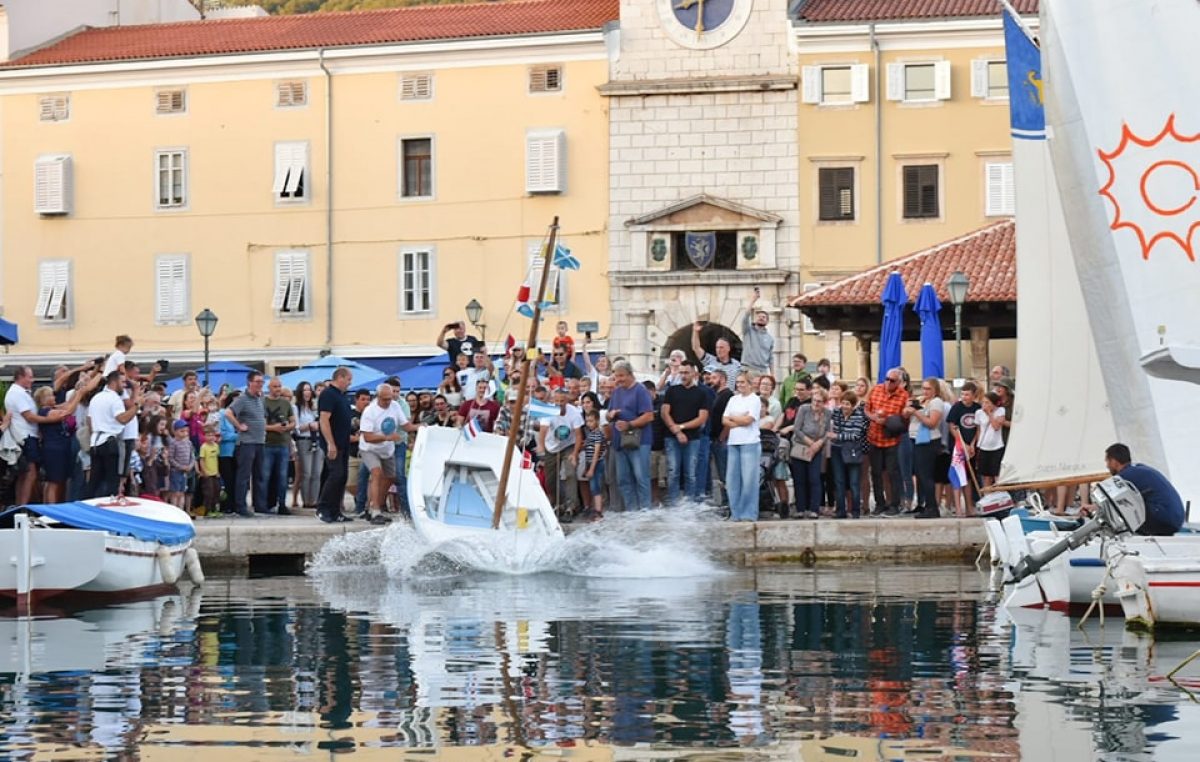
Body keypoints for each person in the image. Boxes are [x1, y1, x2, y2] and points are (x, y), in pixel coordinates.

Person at [7, 367, 74, 504]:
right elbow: (29, 416)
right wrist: (49, 420)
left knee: (28, 474)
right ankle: (23, 507)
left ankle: (21, 505)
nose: (32, 380)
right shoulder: (17, 394)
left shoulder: (22, 393)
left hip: (31, 436)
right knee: (30, 474)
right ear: (21, 377)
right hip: (26, 436)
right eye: (30, 377)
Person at [1092, 443, 1185, 536]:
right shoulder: (1139, 469)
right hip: (1175, 520)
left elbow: (1107, 497)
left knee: (1121, 508)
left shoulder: (1125, 476)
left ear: (1114, 461)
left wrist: (1092, 508)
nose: (1107, 466)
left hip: (1163, 518)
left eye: (1108, 461)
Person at [359, 383, 419, 526]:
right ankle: (375, 511)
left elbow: (405, 425)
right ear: (378, 397)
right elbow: (367, 437)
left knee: (390, 477)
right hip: (369, 448)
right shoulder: (370, 411)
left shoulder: (395, 406)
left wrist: (419, 427)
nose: (387, 402)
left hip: (387, 449)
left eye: (390, 399)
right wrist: (387, 437)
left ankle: (374, 505)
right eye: (385, 399)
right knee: (376, 473)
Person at [607, 361, 654, 511]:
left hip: (639, 441)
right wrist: (610, 415)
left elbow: (648, 416)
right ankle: (631, 510)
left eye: (621, 376)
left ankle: (645, 510)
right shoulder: (616, 392)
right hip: (620, 442)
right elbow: (608, 414)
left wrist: (630, 424)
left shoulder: (640, 391)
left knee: (641, 478)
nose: (618, 379)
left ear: (630, 374)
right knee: (623, 479)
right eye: (616, 376)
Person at [87, 371, 141, 499]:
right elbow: (122, 419)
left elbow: (89, 420)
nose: (124, 386)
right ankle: (109, 507)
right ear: (114, 381)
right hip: (109, 441)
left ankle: (89, 507)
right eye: (122, 382)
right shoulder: (114, 398)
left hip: (95, 440)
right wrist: (137, 406)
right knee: (112, 479)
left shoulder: (97, 397)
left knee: (94, 480)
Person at [661, 360, 708, 504]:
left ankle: (690, 504)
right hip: (672, 437)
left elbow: (702, 418)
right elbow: (664, 412)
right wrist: (676, 431)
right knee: (673, 472)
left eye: (686, 372)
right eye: (681, 372)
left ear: (693, 373)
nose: (683, 375)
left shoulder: (701, 393)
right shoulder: (672, 390)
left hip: (693, 438)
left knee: (691, 473)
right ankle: (674, 504)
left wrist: (681, 428)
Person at [864, 368, 910, 516]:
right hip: (874, 437)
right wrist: (873, 417)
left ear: (899, 382)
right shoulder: (876, 390)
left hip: (891, 439)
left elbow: (905, 419)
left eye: (892, 381)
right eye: (887, 379)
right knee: (876, 473)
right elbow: (866, 409)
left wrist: (889, 421)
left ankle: (894, 504)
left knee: (892, 473)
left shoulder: (903, 396)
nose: (888, 383)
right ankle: (879, 503)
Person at [538, 386, 583, 522]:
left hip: (568, 445)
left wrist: (575, 454)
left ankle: (572, 505)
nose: (559, 403)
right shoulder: (548, 411)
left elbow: (579, 434)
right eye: (556, 400)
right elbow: (543, 430)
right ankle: (557, 503)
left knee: (570, 473)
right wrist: (540, 446)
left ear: (567, 400)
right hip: (551, 446)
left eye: (562, 401)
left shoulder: (574, 412)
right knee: (550, 478)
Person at [722, 371, 762, 522]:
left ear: (750, 384)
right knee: (732, 480)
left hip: (750, 442)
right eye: (738, 382)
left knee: (749, 480)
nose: (739, 385)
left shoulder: (755, 400)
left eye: (742, 382)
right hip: (733, 442)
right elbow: (724, 420)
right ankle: (735, 512)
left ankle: (749, 513)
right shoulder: (732, 399)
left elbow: (749, 420)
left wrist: (733, 418)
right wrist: (738, 418)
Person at [317, 367, 355, 523]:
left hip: (343, 442)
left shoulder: (341, 396)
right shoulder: (328, 394)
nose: (349, 383)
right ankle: (323, 508)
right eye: (348, 380)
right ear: (340, 377)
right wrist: (330, 443)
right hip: (333, 443)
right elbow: (324, 419)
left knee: (342, 477)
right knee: (335, 475)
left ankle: (335, 511)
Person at [226, 371, 267, 517]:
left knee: (259, 475)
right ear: (250, 382)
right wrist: (239, 426)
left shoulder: (260, 398)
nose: (260, 385)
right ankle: (240, 506)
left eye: (261, 382)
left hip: (260, 441)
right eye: (257, 382)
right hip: (247, 442)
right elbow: (228, 413)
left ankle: (260, 505)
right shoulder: (243, 398)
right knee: (244, 476)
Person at [790, 386, 831, 520]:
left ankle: (814, 509)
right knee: (800, 479)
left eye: (819, 401)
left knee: (815, 479)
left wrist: (818, 444)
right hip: (801, 446)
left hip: (817, 448)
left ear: (824, 402)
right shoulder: (804, 409)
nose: (815, 404)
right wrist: (811, 444)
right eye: (814, 400)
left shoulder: (827, 413)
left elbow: (827, 432)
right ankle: (800, 508)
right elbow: (797, 429)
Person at [910, 377, 946, 519]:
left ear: (935, 390)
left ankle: (932, 507)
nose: (925, 391)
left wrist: (916, 412)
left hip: (929, 441)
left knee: (926, 475)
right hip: (918, 440)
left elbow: (931, 422)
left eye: (928, 389)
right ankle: (927, 505)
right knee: (920, 474)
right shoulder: (922, 400)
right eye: (923, 388)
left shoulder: (936, 402)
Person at [830, 390, 868, 519]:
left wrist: (837, 436)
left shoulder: (858, 415)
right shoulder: (836, 412)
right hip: (837, 450)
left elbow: (856, 435)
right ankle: (841, 510)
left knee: (854, 483)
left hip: (852, 451)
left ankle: (855, 510)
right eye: (843, 403)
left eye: (848, 404)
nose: (845, 406)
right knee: (839, 481)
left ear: (853, 405)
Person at [946, 381, 981, 515]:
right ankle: (958, 508)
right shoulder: (956, 408)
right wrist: (963, 445)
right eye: (963, 394)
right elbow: (952, 427)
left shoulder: (977, 408)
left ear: (974, 395)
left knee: (969, 478)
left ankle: (969, 507)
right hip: (958, 448)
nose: (964, 397)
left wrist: (972, 445)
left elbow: (978, 428)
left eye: (967, 395)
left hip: (971, 448)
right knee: (958, 476)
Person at [262, 377, 295, 516]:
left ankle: (282, 504)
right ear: (269, 388)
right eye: (275, 386)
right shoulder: (263, 402)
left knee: (282, 476)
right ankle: (264, 504)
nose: (278, 389)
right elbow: (261, 424)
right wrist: (273, 428)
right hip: (267, 443)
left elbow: (293, 422)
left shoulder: (286, 403)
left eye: (279, 386)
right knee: (265, 475)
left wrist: (287, 427)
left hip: (283, 443)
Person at [293, 381, 321, 509]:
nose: (307, 392)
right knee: (307, 473)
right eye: (305, 390)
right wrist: (310, 426)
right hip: (304, 440)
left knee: (316, 473)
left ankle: (314, 500)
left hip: (317, 440)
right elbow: (297, 428)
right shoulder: (296, 408)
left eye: (309, 390)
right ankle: (306, 500)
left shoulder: (313, 408)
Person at [691, 321, 742, 387]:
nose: (718, 350)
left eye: (721, 347)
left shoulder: (737, 365)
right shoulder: (710, 360)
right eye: (717, 347)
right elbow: (696, 348)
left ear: (728, 348)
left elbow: (739, 384)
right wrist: (695, 331)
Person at [972, 392, 1006, 488]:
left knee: (997, 474)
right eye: (983, 402)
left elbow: (996, 427)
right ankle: (988, 496)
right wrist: (977, 444)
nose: (985, 405)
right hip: (984, 446)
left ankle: (1000, 496)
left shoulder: (1000, 411)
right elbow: (979, 429)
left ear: (993, 403)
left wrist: (989, 413)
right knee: (986, 475)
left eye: (987, 402)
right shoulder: (978, 413)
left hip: (997, 446)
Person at [580, 408, 607, 520]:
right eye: (587, 421)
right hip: (591, 462)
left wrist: (591, 469)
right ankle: (596, 509)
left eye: (591, 421)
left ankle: (598, 511)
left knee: (596, 487)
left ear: (597, 420)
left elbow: (596, 453)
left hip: (597, 463)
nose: (589, 423)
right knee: (593, 487)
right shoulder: (592, 434)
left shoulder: (597, 434)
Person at [739, 288, 775, 374]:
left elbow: (771, 358)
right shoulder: (748, 331)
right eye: (759, 316)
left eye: (764, 317)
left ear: (767, 321)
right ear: (755, 319)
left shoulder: (770, 338)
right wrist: (753, 300)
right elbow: (745, 317)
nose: (761, 318)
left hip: (763, 371)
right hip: (748, 369)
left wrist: (772, 374)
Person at [217, 392, 240, 514]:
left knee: (237, 480)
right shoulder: (222, 414)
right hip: (226, 452)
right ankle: (226, 505)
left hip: (240, 452)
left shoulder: (242, 415)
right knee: (228, 480)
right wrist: (239, 435)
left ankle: (236, 504)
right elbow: (222, 434)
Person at [166, 419, 196, 512]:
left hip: (185, 472)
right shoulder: (173, 443)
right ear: (175, 432)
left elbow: (192, 456)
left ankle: (181, 510)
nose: (185, 433)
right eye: (181, 431)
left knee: (182, 492)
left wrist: (190, 466)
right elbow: (170, 458)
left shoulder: (189, 443)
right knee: (175, 493)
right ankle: (174, 511)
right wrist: (180, 466)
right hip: (176, 471)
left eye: (186, 431)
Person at [198, 427, 222, 517]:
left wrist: (218, 471)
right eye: (208, 435)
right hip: (207, 474)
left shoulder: (216, 446)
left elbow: (216, 459)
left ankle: (214, 509)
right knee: (209, 492)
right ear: (204, 436)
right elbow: (202, 460)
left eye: (212, 435)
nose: (211, 437)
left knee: (216, 491)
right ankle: (207, 511)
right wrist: (204, 472)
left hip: (215, 473)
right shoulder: (203, 447)